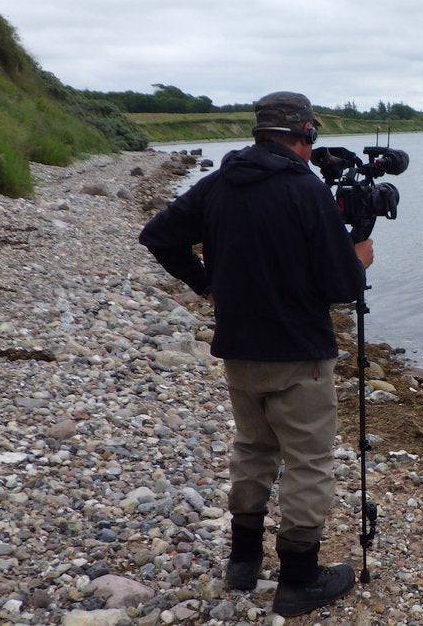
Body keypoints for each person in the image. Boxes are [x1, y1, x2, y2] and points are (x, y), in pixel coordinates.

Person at [139, 91, 374, 617]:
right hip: (299, 354)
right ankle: (298, 577)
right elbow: (342, 285)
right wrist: (360, 256)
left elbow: (158, 235)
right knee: (309, 460)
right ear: (305, 133)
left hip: (239, 351)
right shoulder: (305, 191)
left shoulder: (220, 183)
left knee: (253, 448)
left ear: (259, 132)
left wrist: (205, 284)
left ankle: (243, 561)